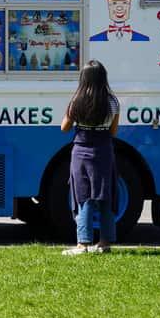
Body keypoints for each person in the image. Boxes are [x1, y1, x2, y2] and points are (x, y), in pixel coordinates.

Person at [60, 59, 120, 255]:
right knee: (105, 195)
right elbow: (113, 131)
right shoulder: (112, 102)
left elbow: (64, 127)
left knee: (83, 196)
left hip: (81, 151)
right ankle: (104, 243)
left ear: (83, 78)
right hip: (103, 150)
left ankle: (82, 244)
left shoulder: (76, 100)